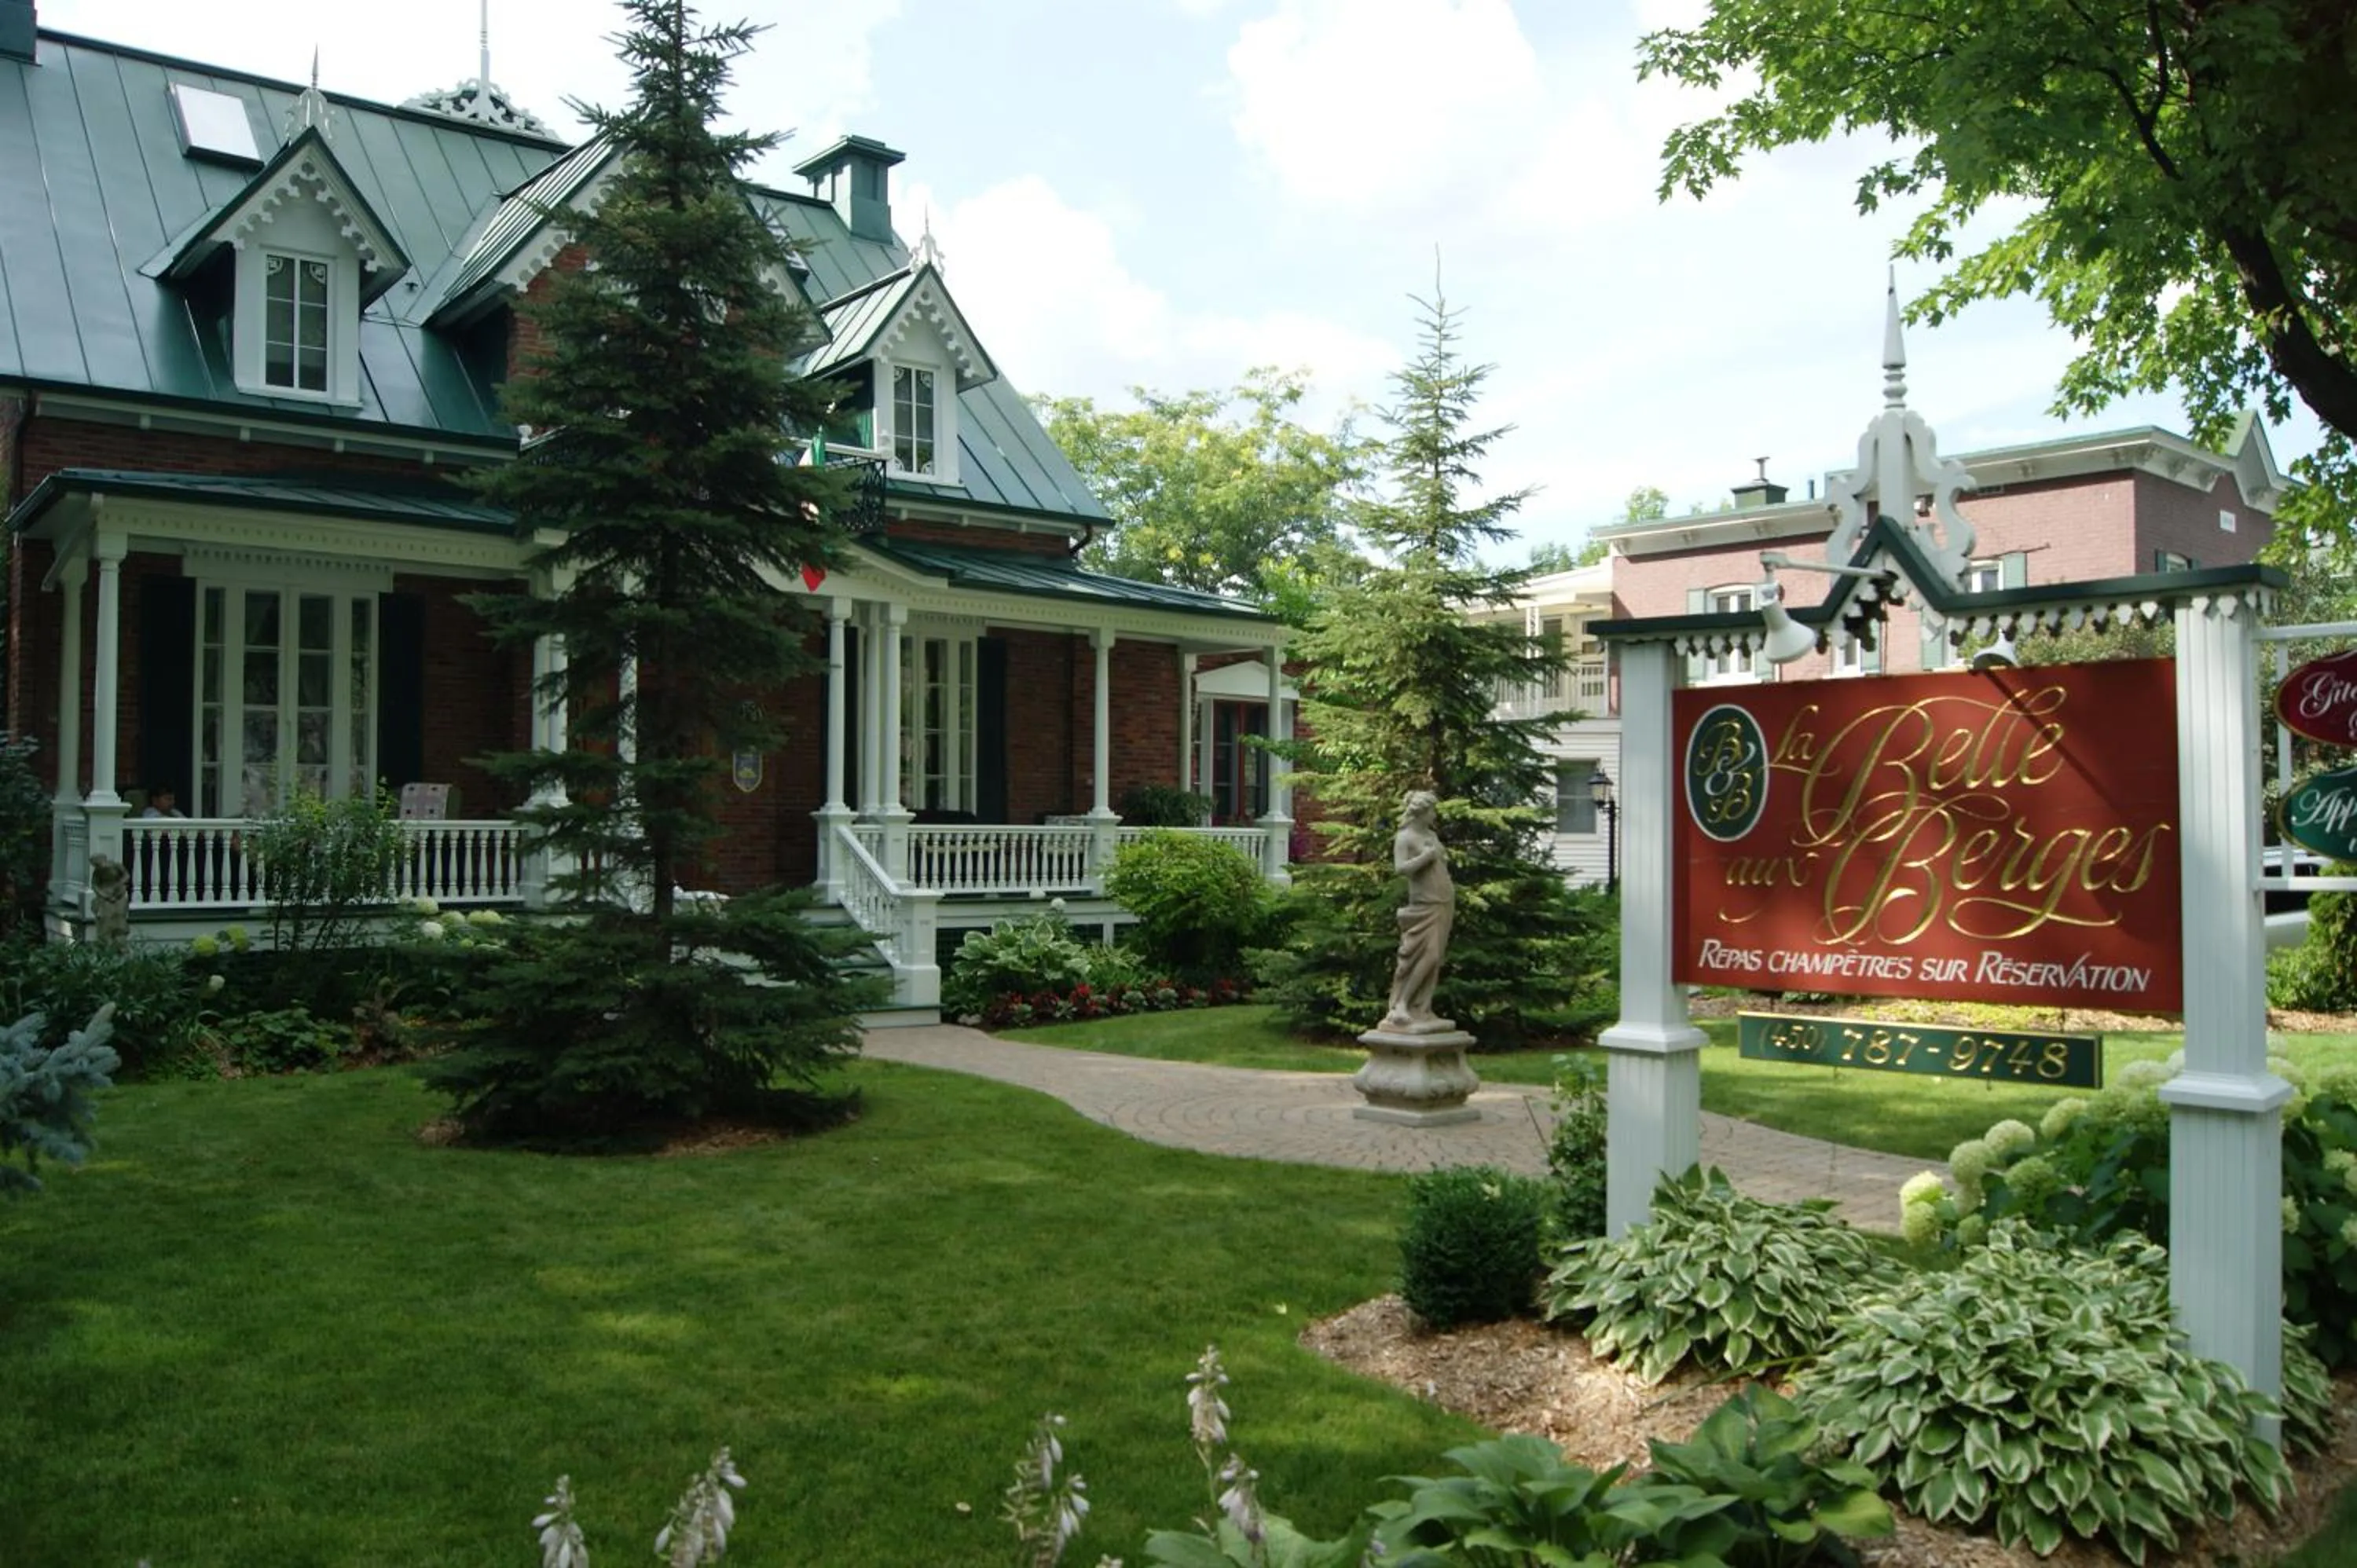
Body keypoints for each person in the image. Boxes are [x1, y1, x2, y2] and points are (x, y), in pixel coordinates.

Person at [1380, 789, 1455, 1031]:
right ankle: (1401, 1004)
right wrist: (1426, 857)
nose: (1435, 815)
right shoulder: (1405, 837)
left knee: (1436, 958)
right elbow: (1401, 868)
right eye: (1432, 811)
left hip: (1443, 899)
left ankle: (1422, 1008)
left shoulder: (1431, 835)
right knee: (1425, 954)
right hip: (1424, 902)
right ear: (1421, 812)